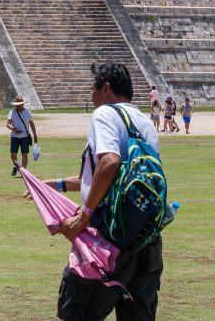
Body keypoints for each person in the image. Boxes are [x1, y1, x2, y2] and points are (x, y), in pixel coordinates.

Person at [53, 62, 163, 320]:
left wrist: (84, 217)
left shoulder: (105, 114)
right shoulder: (144, 122)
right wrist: (58, 184)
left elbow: (109, 163)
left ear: (106, 89)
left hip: (110, 236)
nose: (91, 95)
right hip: (146, 238)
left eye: (92, 88)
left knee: (75, 312)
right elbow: (115, 179)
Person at [7, 96, 37, 176]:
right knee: (13, 153)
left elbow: (32, 125)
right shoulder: (12, 112)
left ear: (23, 104)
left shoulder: (28, 113)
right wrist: (14, 129)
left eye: (19, 104)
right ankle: (16, 166)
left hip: (25, 136)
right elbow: (7, 124)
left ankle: (24, 171)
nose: (17, 106)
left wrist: (35, 135)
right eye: (16, 105)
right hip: (14, 136)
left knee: (24, 154)